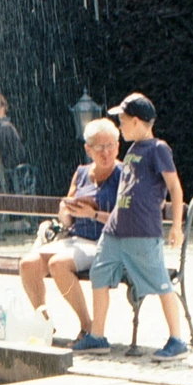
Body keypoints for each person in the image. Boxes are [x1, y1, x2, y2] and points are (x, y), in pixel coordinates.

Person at [72, 92, 188, 363]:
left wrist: (176, 227)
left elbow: (175, 187)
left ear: (136, 121)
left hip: (142, 233)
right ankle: (97, 337)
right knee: (99, 275)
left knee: (160, 283)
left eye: (122, 121)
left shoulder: (158, 149)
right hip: (115, 232)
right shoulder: (133, 150)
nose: (120, 126)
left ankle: (177, 339)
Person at [18, 117, 121, 340]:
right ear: (88, 149)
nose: (105, 153)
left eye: (110, 146)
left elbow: (127, 219)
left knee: (58, 264)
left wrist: (93, 214)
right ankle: (44, 323)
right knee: (28, 265)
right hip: (75, 239)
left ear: (118, 146)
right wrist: (67, 209)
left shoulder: (123, 175)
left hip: (105, 241)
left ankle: (87, 326)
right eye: (99, 147)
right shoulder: (82, 172)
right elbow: (66, 221)